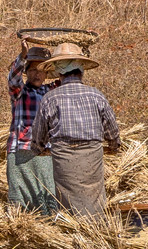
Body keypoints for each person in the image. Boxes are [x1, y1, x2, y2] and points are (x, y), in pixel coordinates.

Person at [28, 43, 121, 218]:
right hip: (92, 156)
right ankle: (96, 232)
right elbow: (112, 129)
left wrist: (38, 149)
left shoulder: (50, 98)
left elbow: (39, 133)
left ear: (60, 73)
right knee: (93, 197)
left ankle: (71, 233)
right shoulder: (96, 95)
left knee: (67, 199)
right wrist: (114, 147)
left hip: (63, 157)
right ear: (81, 71)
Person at [6, 43, 59, 215]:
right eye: (33, 69)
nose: (37, 73)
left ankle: (48, 228)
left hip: (43, 152)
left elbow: (69, 77)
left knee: (46, 194)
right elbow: (13, 79)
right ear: (26, 72)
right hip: (20, 151)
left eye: (41, 70)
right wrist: (22, 56)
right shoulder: (20, 92)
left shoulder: (50, 92)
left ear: (46, 74)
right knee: (19, 196)